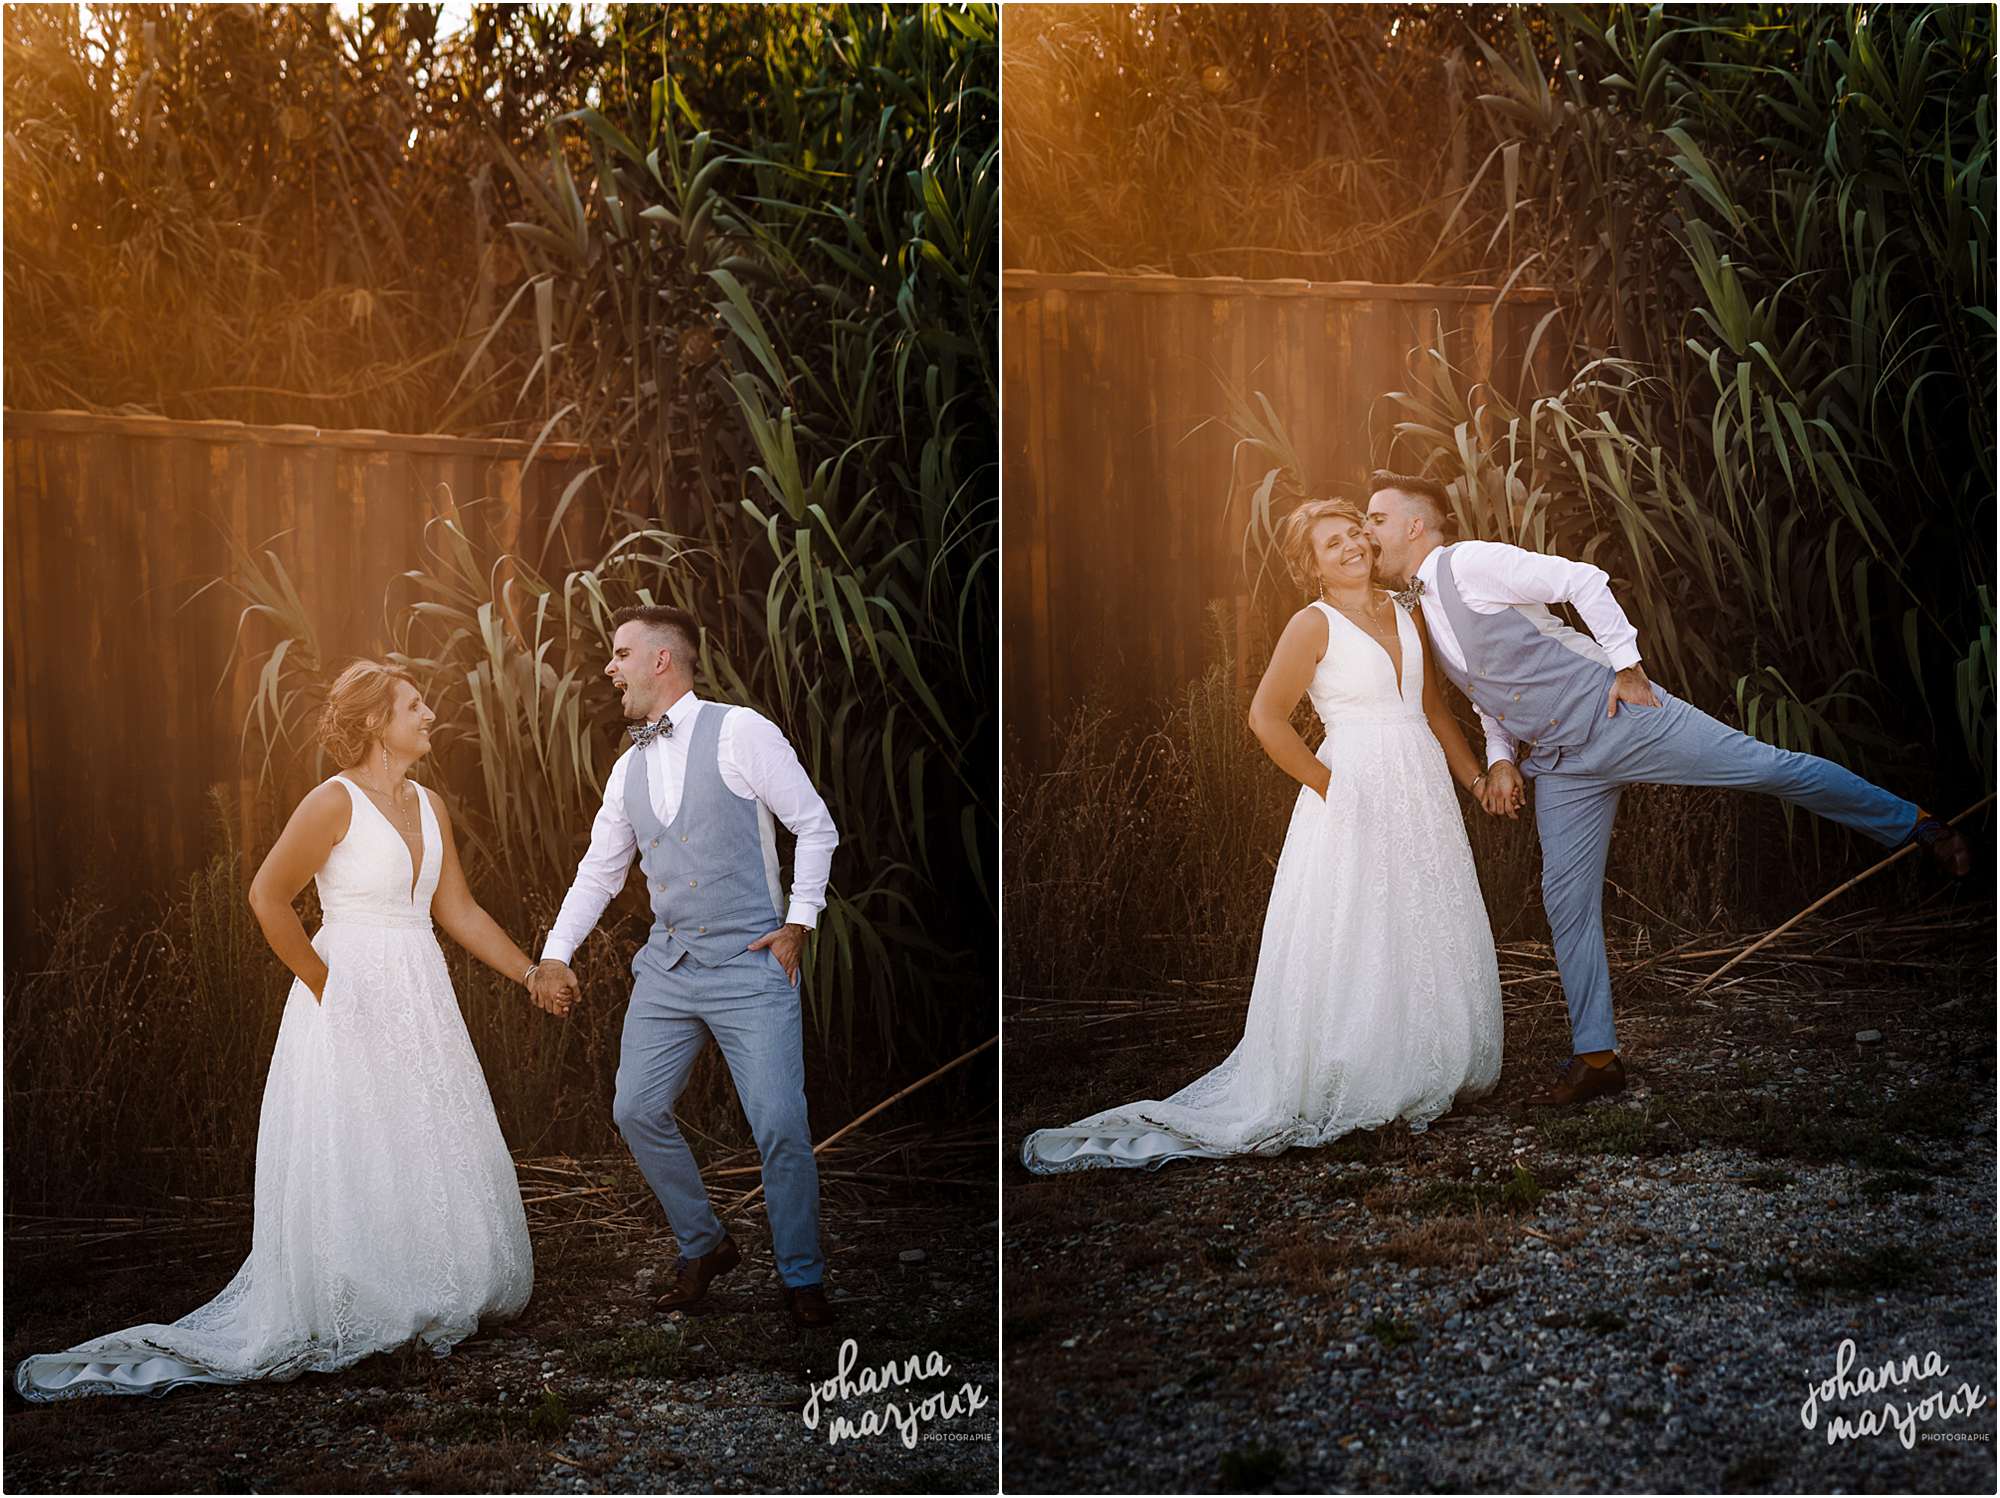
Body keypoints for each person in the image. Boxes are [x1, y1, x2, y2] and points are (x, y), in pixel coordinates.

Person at [15, 662, 564, 1401]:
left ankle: (440, 1279)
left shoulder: (429, 804)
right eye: (414, 704)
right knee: (360, 1138)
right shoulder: (331, 802)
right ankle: (366, 1292)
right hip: (346, 988)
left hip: (419, 991)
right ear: (375, 722)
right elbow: (267, 896)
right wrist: (326, 985)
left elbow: (458, 910)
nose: (430, 713)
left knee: (422, 1130)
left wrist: (530, 974)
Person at [1362, 470, 1973, 1108]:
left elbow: (1582, 579)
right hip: (1564, 766)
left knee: (1768, 768)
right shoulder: (1421, 609)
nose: (1368, 531)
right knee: (1565, 902)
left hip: (1620, 717)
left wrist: (1627, 667)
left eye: (1376, 519)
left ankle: (1916, 824)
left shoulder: (1471, 564)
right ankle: (1597, 1057)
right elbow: (1490, 692)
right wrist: (1501, 756)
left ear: (1414, 525)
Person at [1019, 500, 1505, 1173]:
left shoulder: (1405, 607)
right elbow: (1264, 718)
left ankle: (1431, 1055)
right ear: (1311, 566)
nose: (1350, 547)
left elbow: (1432, 710)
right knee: (1358, 927)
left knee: (1420, 914)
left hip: (1419, 786)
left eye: (1354, 534)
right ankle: (1359, 1069)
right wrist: (1331, 785)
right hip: (1353, 788)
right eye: (1331, 544)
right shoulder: (1313, 624)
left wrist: (1476, 779)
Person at [528, 605, 841, 1327]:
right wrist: (553, 954)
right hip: (669, 970)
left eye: (621, 654)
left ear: (662, 659)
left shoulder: (741, 732)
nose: (610, 668)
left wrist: (800, 922)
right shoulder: (625, 768)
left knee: (780, 1122)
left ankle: (802, 1277)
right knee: (635, 1108)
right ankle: (703, 1244)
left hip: (750, 963)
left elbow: (814, 824)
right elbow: (599, 876)